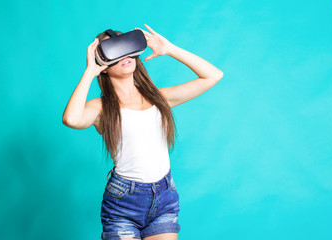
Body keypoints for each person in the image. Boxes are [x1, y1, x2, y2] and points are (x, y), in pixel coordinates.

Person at [62, 24, 224, 240]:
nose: (124, 55)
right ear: (104, 64)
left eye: (127, 47)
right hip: (123, 202)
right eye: (113, 52)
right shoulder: (101, 108)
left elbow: (213, 76)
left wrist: (170, 49)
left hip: (165, 195)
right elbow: (71, 119)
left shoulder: (160, 98)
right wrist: (90, 71)